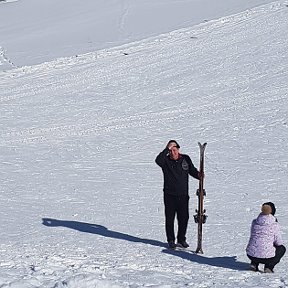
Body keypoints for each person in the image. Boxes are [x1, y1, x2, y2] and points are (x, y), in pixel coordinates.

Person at [155, 140, 201, 249]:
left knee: (183, 218)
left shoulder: (185, 159)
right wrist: (167, 148)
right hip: (169, 195)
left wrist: (199, 175)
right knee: (170, 218)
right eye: (170, 151)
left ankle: (181, 239)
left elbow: (192, 171)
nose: (173, 153)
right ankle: (171, 240)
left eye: (174, 150)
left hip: (183, 195)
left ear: (178, 150)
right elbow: (158, 160)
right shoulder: (165, 161)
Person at [246, 202, 286, 273]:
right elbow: (279, 242)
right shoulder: (274, 225)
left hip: (250, 254)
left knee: (257, 243)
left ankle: (254, 264)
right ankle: (269, 267)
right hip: (267, 258)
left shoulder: (254, 222)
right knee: (282, 248)